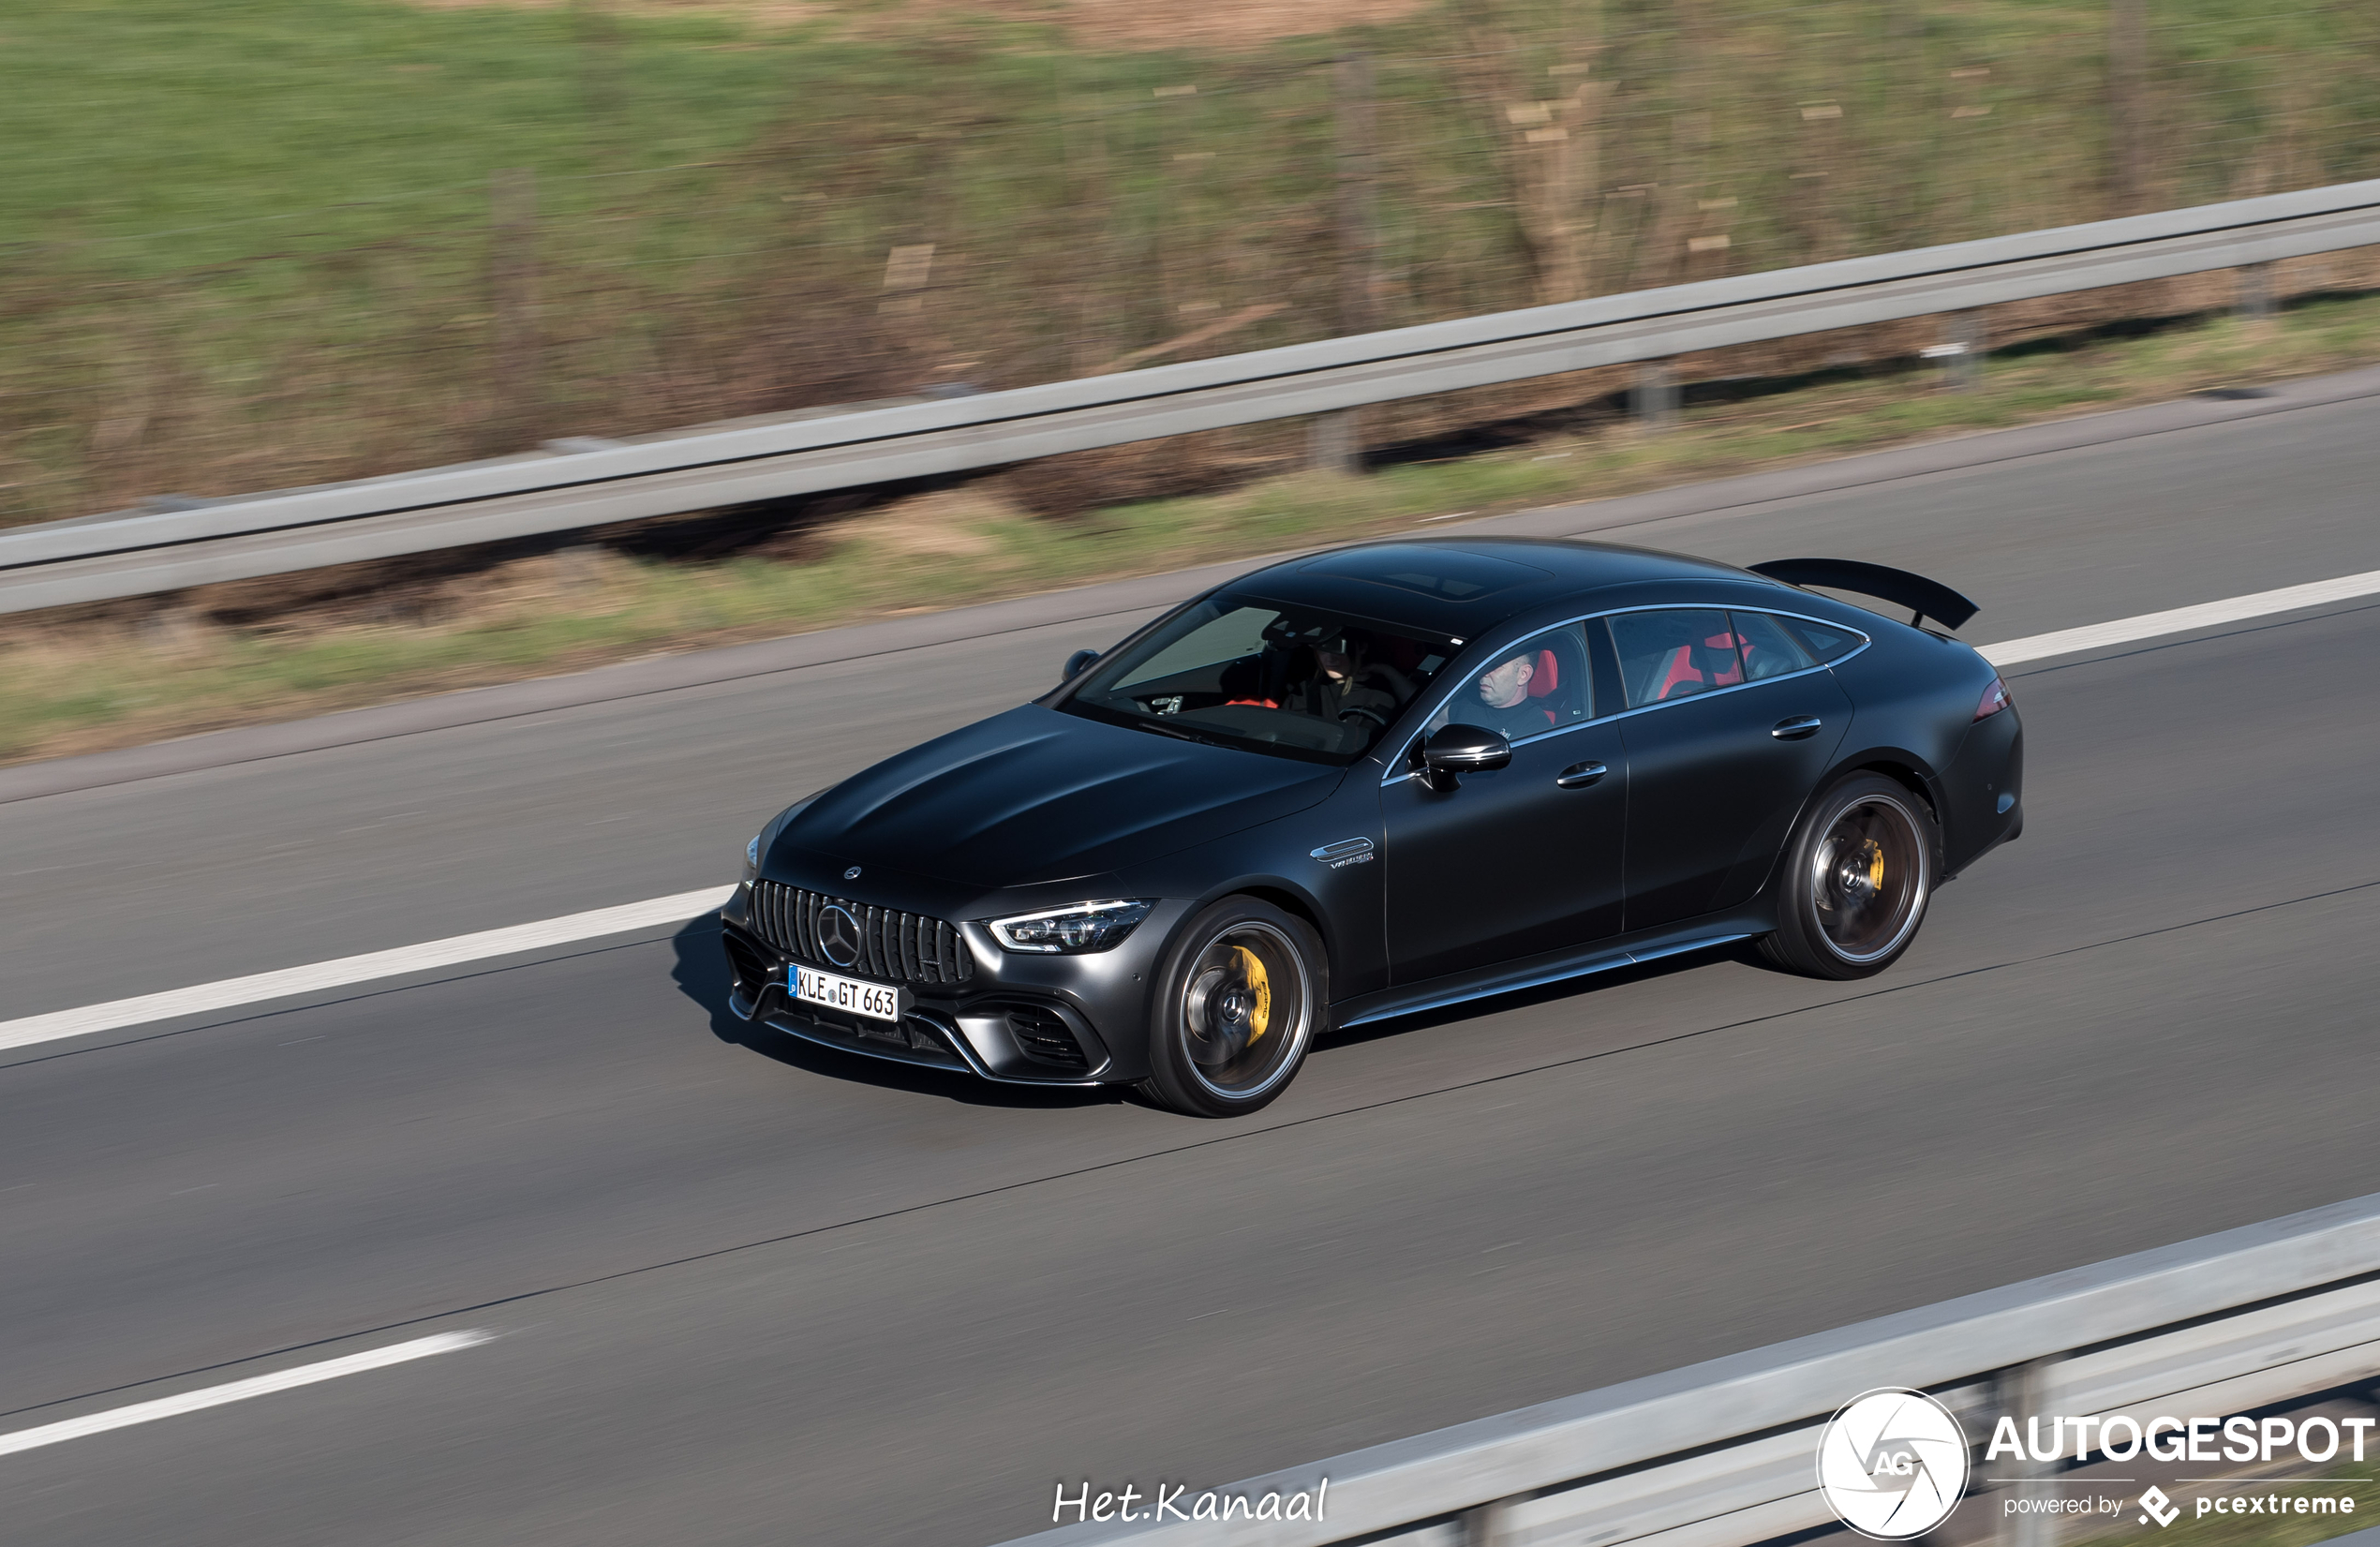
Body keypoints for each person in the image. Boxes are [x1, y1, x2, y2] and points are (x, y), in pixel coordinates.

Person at [1451, 648, 1554, 739]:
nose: (1484, 672)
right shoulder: (1466, 703)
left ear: (1523, 674)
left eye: (1495, 666)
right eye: (1484, 664)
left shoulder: (1536, 729)